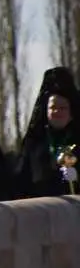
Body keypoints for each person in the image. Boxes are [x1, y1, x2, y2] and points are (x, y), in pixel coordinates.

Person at [14, 67, 80, 198]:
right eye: (53, 107)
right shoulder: (34, 143)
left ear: (71, 113)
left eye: (62, 108)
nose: (57, 112)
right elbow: (21, 182)